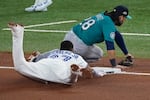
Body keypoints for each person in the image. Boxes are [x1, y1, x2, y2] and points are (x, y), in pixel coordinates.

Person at [9, 23, 102, 85]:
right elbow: (90, 71)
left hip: (45, 63)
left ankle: (18, 33)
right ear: (72, 49)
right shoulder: (76, 56)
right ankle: (75, 73)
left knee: (20, 67)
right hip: (61, 69)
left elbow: (38, 58)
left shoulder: (54, 51)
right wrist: (98, 74)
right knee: (70, 82)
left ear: (60, 48)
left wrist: (33, 57)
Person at [63, 5, 134, 68]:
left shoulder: (104, 16)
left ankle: (68, 58)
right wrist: (114, 65)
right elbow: (110, 45)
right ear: (120, 17)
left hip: (69, 37)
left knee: (97, 52)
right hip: (79, 45)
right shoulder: (109, 24)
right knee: (98, 54)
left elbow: (117, 36)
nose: (124, 20)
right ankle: (75, 62)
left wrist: (126, 53)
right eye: (124, 18)